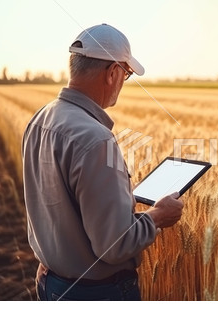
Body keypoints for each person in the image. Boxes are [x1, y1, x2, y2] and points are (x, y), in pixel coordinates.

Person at [21, 23, 184, 301]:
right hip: (95, 294)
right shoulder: (96, 139)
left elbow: (61, 202)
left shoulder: (41, 118)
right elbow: (115, 245)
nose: (124, 82)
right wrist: (157, 217)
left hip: (51, 281)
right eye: (127, 73)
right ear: (112, 73)